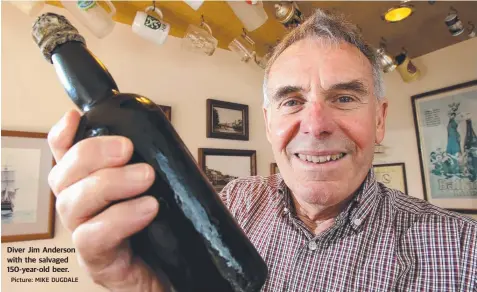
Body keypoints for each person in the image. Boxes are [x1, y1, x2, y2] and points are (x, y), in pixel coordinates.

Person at [47, 9, 476, 292]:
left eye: (344, 98)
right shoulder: (229, 202)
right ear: (269, 122)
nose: (315, 125)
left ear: (379, 119)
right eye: (291, 101)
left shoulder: (463, 253)